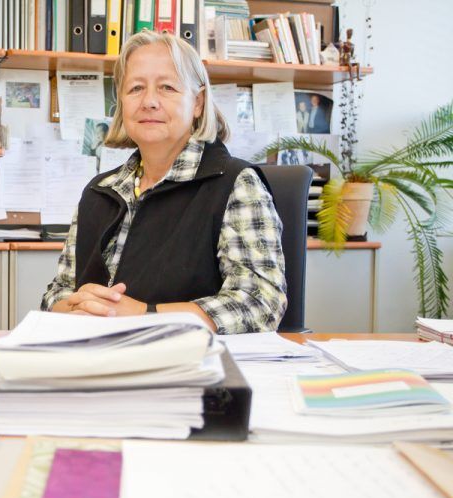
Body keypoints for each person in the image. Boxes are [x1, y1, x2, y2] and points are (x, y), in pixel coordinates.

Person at [40, 31, 287, 334]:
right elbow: (59, 291)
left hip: (194, 366)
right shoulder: (99, 191)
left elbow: (260, 302)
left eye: (167, 87)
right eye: (135, 88)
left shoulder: (235, 184)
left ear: (197, 103)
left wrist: (145, 315)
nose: (149, 102)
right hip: (100, 359)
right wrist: (74, 308)